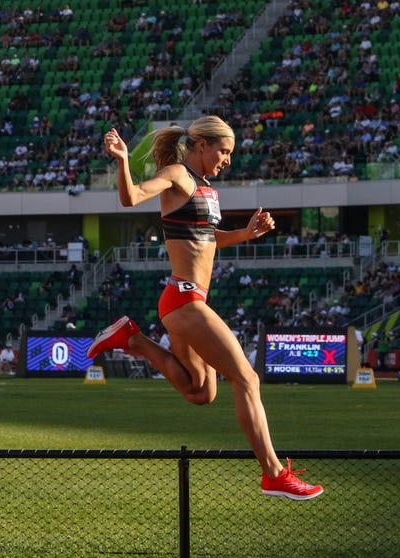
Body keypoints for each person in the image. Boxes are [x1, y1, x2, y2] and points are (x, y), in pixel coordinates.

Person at [87, 116, 323, 500]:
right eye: (224, 150)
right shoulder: (177, 174)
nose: (228, 159)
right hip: (184, 299)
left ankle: (133, 340)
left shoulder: (207, 190)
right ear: (201, 145)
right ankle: (274, 473)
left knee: (200, 392)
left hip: (185, 300)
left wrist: (246, 233)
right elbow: (131, 197)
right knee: (248, 379)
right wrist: (123, 160)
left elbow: (206, 238)